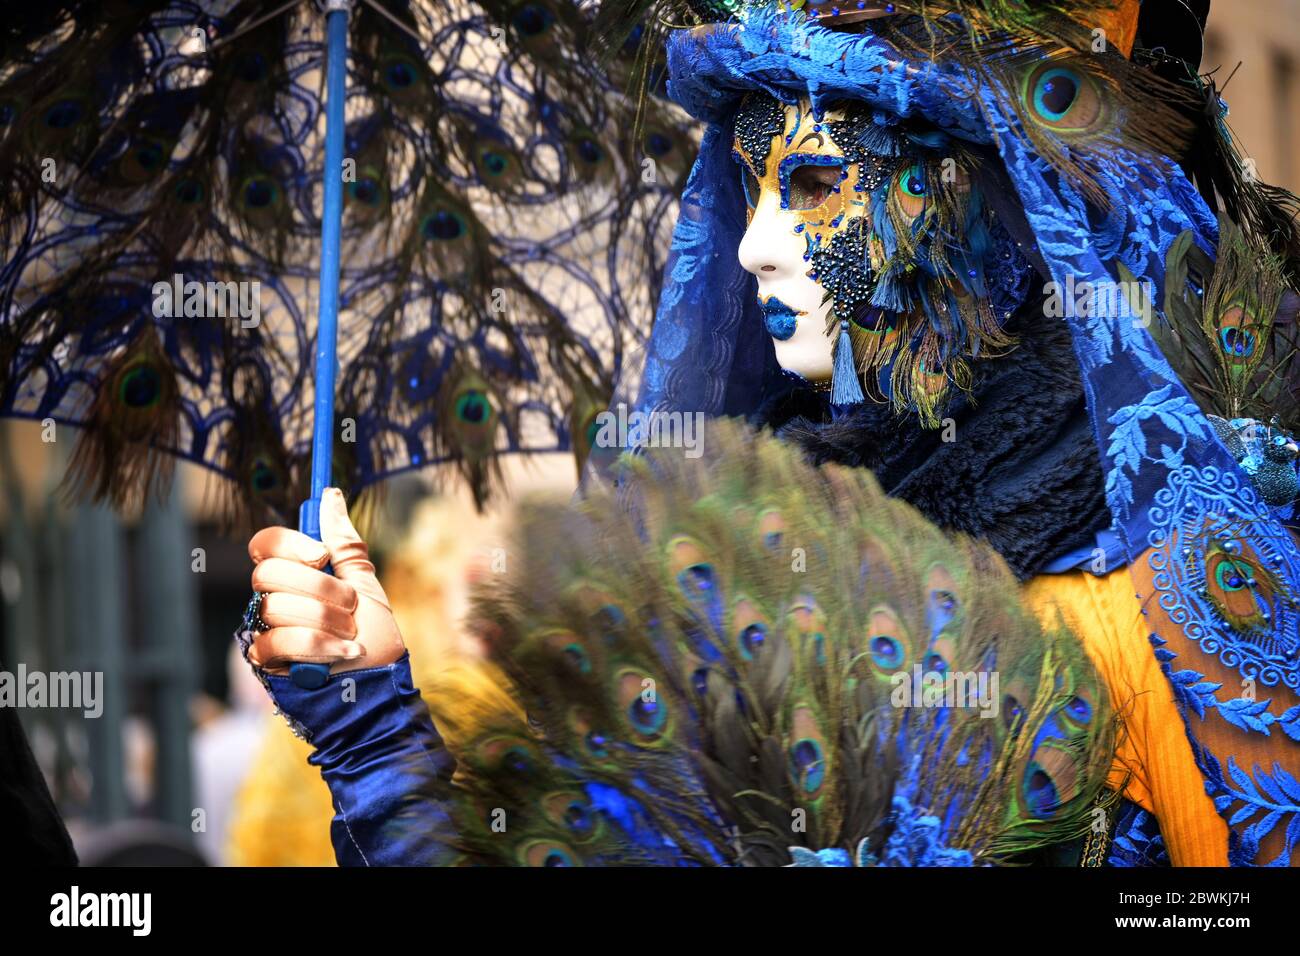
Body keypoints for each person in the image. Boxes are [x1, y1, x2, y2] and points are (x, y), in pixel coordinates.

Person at [241, 0, 1300, 866]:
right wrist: (371, 715)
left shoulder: (1171, 592)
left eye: (816, 184)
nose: (755, 246)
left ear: (977, 205)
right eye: (754, 188)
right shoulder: (734, 574)